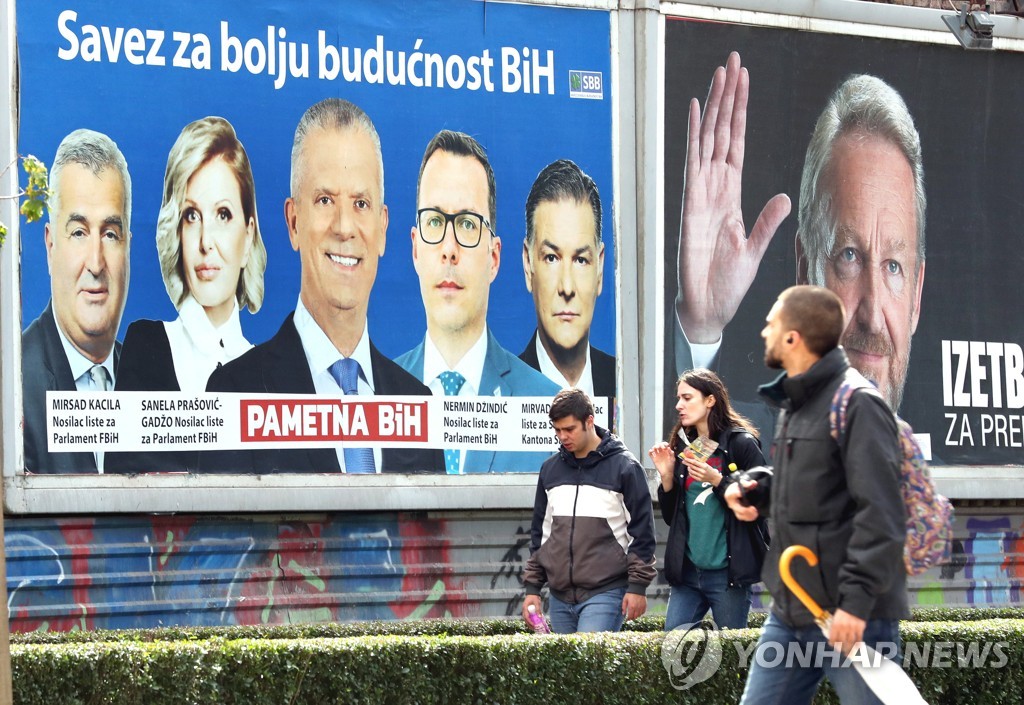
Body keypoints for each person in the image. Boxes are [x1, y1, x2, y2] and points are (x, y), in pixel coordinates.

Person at [201, 98, 442, 474]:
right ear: (294, 222)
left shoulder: (418, 405)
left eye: (361, 203)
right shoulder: (236, 391)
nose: (345, 226)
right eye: (326, 200)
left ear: (382, 228)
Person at [674, 53, 925, 414]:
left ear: (916, 298)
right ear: (805, 275)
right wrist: (700, 329)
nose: (873, 316)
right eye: (849, 256)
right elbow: (693, 462)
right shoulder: (749, 451)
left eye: (893, 267)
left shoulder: (941, 470)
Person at [724, 285, 907, 705]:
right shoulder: (797, 402)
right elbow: (818, 486)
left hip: (854, 615)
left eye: (771, 324)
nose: (763, 333)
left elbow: (882, 515)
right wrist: (759, 490)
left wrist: (856, 605)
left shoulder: (859, 404)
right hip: (793, 608)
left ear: (794, 338)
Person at [109, 117, 267, 473]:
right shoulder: (146, 345)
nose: (205, 241)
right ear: (176, 231)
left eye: (223, 214)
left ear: (248, 235)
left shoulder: (269, 372)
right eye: (192, 215)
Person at [397, 130, 558, 473]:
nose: (449, 249)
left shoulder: (549, 409)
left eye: (468, 224)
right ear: (415, 249)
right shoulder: (374, 399)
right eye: (435, 221)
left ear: (494, 258)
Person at [22, 128, 131, 474]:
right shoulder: (12, 386)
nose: (96, 263)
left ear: (128, 247)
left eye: (110, 234)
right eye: (79, 232)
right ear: (51, 245)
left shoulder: (145, 378)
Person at [522, 388, 656, 633]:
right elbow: (541, 535)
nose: (563, 436)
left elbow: (643, 534)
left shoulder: (625, 467)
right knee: (568, 672)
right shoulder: (550, 470)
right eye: (557, 430)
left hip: (606, 591)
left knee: (592, 664)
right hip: (560, 596)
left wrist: (637, 587)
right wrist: (533, 589)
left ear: (589, 421)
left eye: (570, 429)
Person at [647, 368, 768, 631]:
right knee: (673, 642)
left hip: (727, 575)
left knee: (732, 652)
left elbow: (761, 502)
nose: (679, 405)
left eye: (687, 398)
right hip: (688, 573)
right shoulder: (691, 448)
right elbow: (673, 517)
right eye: (678, 398)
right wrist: (667, 477)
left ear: (710, 400)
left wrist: (718, 481)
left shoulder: (741, 444)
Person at [519, 159, 615, 399]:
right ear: (528, 264)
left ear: (600, 268)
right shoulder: (496, 393)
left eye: (581, 260)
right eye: (551, 258)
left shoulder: (626, 385)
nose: (567, 287)